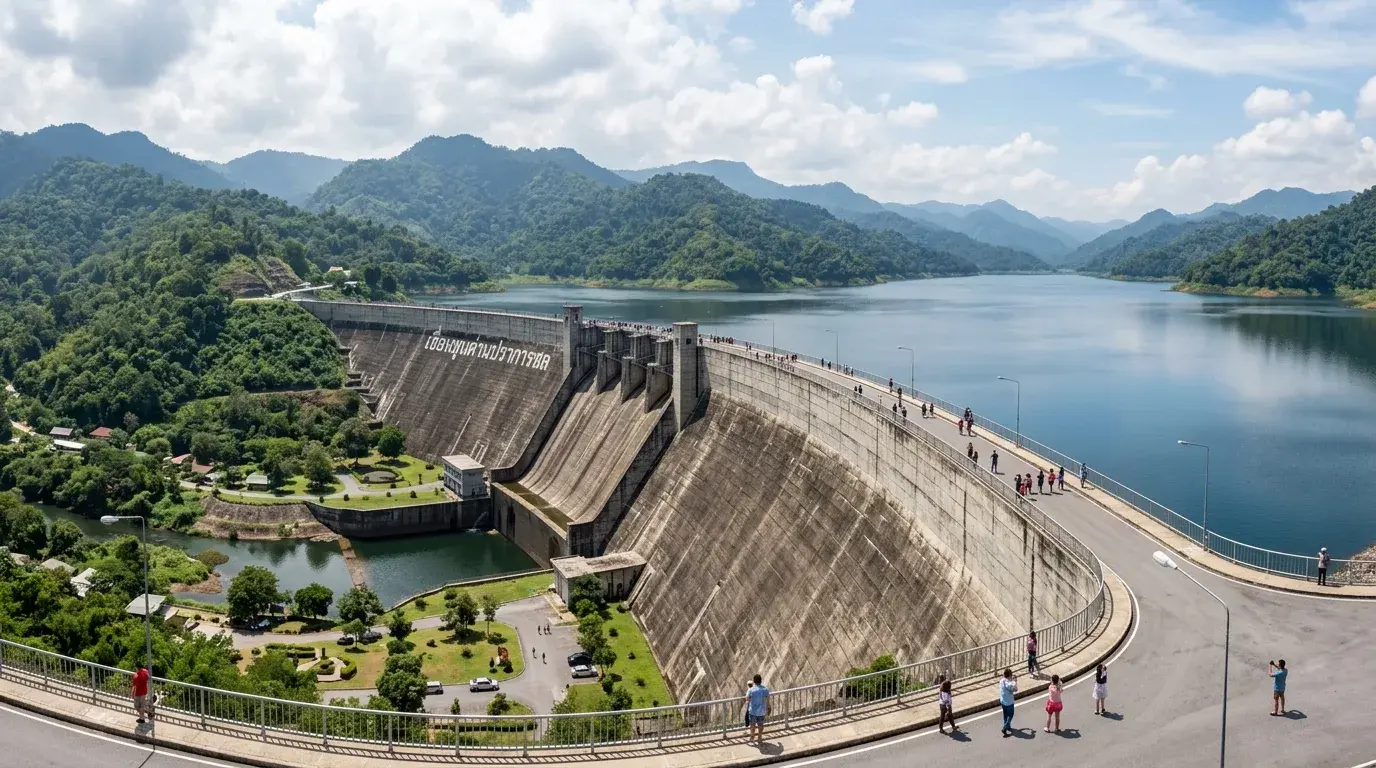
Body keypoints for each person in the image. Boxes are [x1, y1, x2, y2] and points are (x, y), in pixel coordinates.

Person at [746, 674, 770, 742]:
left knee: (752, 725)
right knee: (760, 725)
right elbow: (768, 699)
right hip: (762, 711)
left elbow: (747, 699)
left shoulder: (750, 690)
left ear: (754, 681)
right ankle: (759, 737)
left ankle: (752, 737)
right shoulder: (765, 689)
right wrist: (769, 708)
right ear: (761, 681)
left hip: (752, 711)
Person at [999, 668, 1017, 736]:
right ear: (1009, 675)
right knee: (1011, 714)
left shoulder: (1001, 681)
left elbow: (1007, 682)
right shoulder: (1010, 684)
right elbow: (1015, 689)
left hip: (1003, 701)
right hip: (1009, 702)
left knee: (1005, 715)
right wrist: (1015, 681)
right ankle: (1005, 727)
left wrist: (1011, 680)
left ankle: (1007, 726)